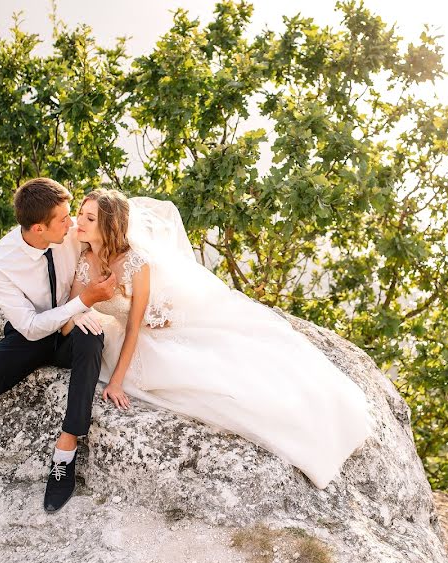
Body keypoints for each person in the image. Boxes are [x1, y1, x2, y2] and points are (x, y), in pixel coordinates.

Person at [62, 189, 369, 490]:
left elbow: (134, 326)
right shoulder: (84, 258)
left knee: (215, 374)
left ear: (110, 225)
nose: (80, 222)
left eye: (90, 218)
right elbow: (73, 309)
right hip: (118, 330)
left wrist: (116, 381)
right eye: (80, 214)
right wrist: (78, 315)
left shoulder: (135, 263)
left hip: (149, 330)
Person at [0, 178, 118, 563]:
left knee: (91, 338)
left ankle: (64, 454)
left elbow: (109, 237)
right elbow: (30, 327)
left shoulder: (70, 232)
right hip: (29, 336)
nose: (72, 226)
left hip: (69, 329)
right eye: (64, 220)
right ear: (37, 229)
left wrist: (83, 308)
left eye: (72, 218)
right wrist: (83, 302)